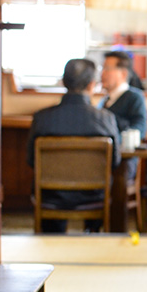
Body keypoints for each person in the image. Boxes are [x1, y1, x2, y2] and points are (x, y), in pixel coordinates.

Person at [27, 58, 121, 233]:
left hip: (50, 195)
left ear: (64, 82)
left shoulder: (42, 118)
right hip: (93, 195)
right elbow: (114, 162)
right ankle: (92, 236)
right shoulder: (105, 119)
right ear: (92, 85)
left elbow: (31, 160)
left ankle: (51, 241)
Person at [99, 50, 147, 179]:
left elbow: (139, 129)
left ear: (123, 73)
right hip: (101, 156)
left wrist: (113, 142)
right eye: (102, 68)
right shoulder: (103, 100)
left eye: (107, 69)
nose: (102, 73)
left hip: (123, 160)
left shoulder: (134, 97)